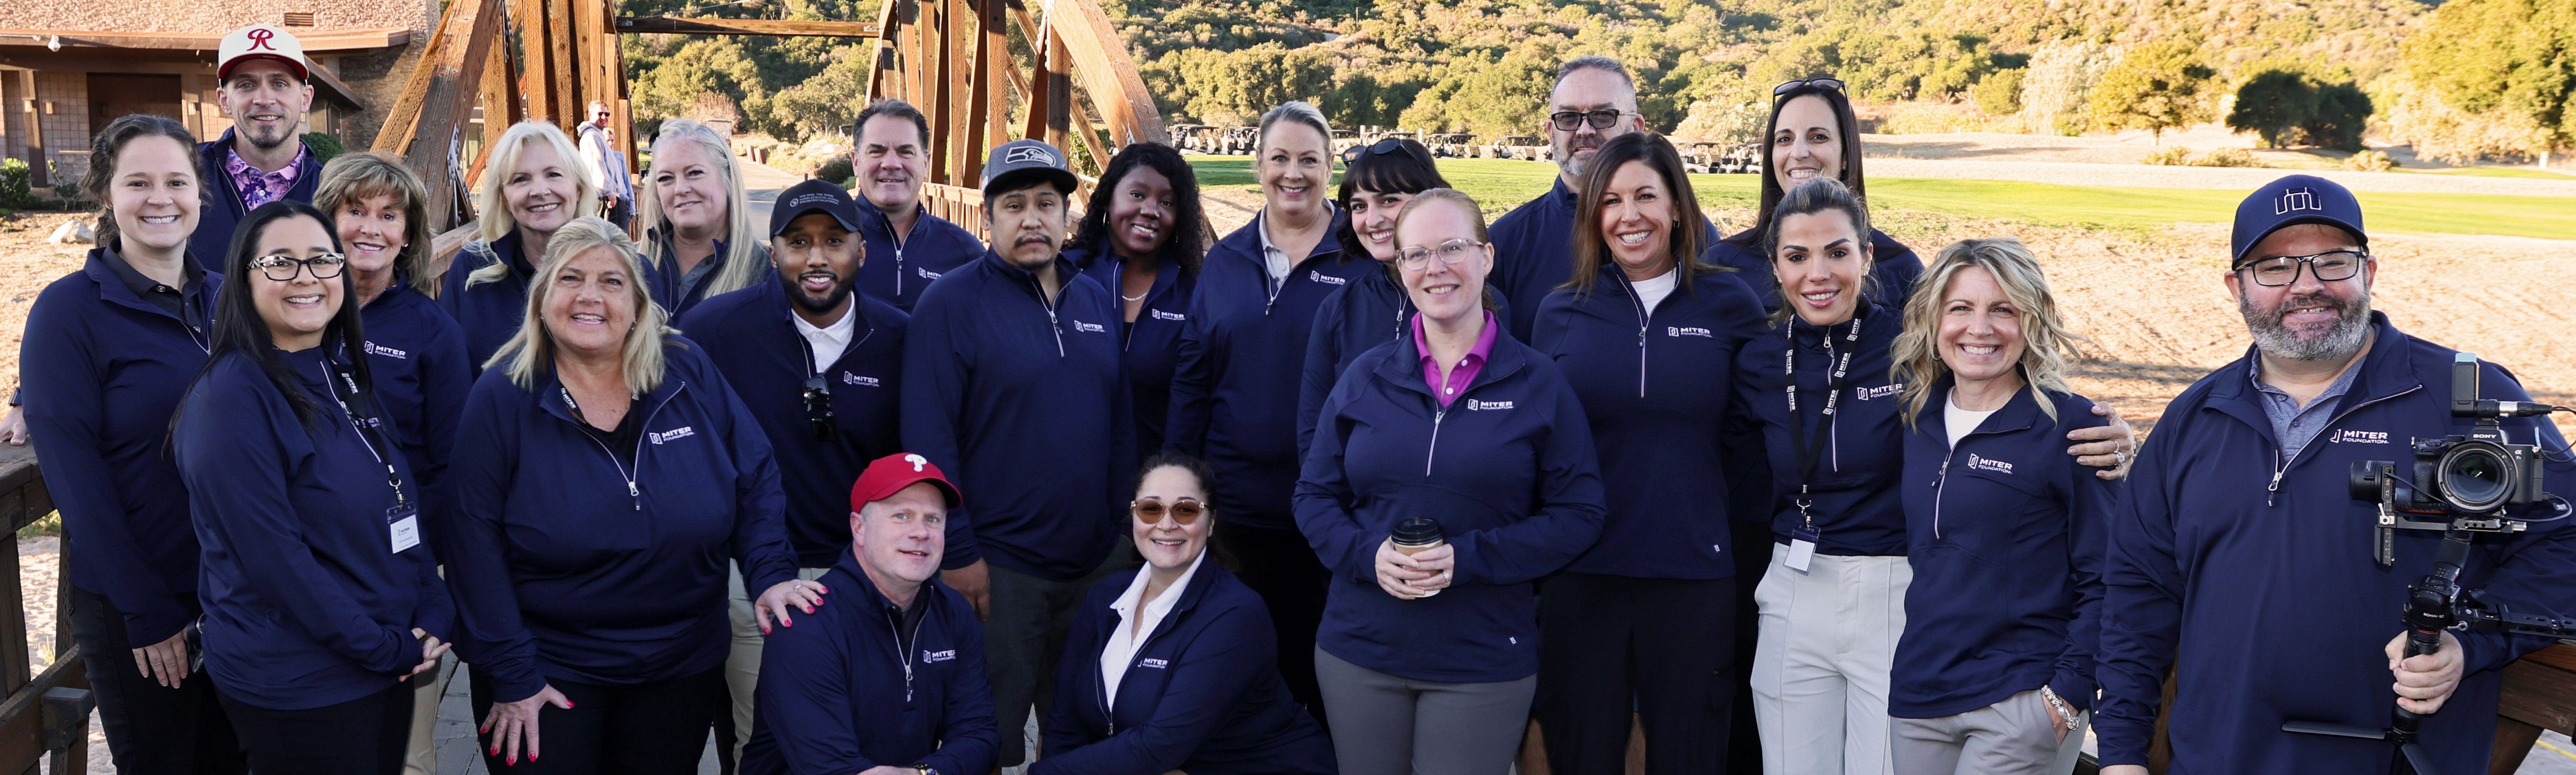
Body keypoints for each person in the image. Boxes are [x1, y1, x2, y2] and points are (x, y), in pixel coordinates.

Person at [2095, 176, 2576, 775]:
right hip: (2215, 757)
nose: (2306, 285)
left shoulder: (2470, 398)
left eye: (2332, 261)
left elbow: (2566, 544)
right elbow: (2138, 591)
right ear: (2236, 287)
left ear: (2368, 272)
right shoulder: (2195, 417)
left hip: (2402, 759)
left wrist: (2470, 643)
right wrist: (2121, 754)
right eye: (2275, 267)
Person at [1740, 180, 2135, 775]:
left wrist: (2119, 438)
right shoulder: (1756, 357)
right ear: (1775, 265)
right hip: (1795, 583)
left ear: (1867, 256)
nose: (1818, 273)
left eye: (1838, 252)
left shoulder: (1908, 351)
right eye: (1797, 256)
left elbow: (2005, 387)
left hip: (1893, 588)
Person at [441, 217, 820, 773]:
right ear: (542, 298)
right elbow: (471, 540)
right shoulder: (502, 393)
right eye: (571, 278)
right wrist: (513, 672)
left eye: (612, 281)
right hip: (550, 671)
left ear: (640, 305)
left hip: (680, 668)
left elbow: (755, 472)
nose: (590, 295)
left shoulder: (685, 368)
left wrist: (769, 571)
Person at [1297, 188, 1608, 775]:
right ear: (1400, 268)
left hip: (1481, 659)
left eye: (1452, 248)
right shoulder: (1366, 377)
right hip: (1361, 650)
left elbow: (1580, 514)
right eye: (1416, 254)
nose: (1435, 268)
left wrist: (1469, 558)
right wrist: (1367, 554)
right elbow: (1314, 496)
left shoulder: (1538, 383)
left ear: (1487, 257)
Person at [172, 200, 454, 774]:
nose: (306, 277)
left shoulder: (338, 370)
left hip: (381, 661)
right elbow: (277, 563)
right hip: (304, 683)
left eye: (323, 260)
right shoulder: (231, 400)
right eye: (281, 262)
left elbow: (396, 494)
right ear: (243, 277)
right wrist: (384, 647)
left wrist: (433, 600)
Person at [1528, 132, 1768, 775]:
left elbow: (1757, 429)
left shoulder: (1730, 303)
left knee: (1690, 752)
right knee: (1582, 751)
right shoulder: (1560, 311)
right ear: (1593, 217)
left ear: (1678, 209)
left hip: (1693, 571)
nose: (1628, 216)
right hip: (1583, 571)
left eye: (1645, 197)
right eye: (1610, 201)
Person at [21, 113, 248, 775]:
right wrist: (146, 609)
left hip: (236, 592)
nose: (160, 198)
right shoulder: (69, 312)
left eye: (176, 182)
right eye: (138, 182)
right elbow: (76, 479)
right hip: (140, 603)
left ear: (199, 194)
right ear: (107, 194)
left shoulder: (227, 300)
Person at [901, 138, 1132, 770]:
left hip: (1094, 568)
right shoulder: (951, 304)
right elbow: (929, 440)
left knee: (1081, 734)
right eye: (1014, 205)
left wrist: (1121, 537)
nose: (1032, 219)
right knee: (985, 740)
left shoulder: (1093, 298)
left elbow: (1120, 427)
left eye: (1046, 203)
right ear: (988, 217)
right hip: (1000, 572)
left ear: (1066, 214)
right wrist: (958, 554)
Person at [677, 178, 911, 767]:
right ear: (773, 250)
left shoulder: (900, 338)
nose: (816, 258)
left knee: (861, 734)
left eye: (834, 240)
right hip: (752, 577)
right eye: (798, 242)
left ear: (862, 251)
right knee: (763, 739)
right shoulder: (713, 330)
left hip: (866, 575)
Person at [1168, 101, 1373, 724]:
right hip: (1239, 514)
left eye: (1309, 160)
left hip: (1336, 514)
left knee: (1328, 684)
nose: (1293, 173)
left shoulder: (1364, 262)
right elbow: (1194, 380)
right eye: (1279, 158)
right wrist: (1179, 484)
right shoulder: (1226, 261)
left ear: (1330, 167)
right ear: (1257, 165)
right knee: (1246, 680)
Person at [1885, 238, 2114, 775]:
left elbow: (2110, 575)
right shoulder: (1916, 417)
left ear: (2031, 321)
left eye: (2004, 310)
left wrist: (2066, 696)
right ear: (1933, 319)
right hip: (1919, 697)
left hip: (2020, 701)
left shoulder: (2072, 428)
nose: (1980, 328)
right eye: (1961, 308)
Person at [311, 152, 477, 775]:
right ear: (325, 219)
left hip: (398, 569)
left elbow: (453, 464)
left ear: (408, 235)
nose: (371, 228)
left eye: (389, 215)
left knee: (407, 752)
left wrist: (429, 574)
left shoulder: (431, 330)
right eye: (355, 210)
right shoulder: (290, 312)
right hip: (304, 565)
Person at [1036, 452, 1337, 775]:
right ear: (1134, 515)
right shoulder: (1106, 597)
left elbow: (1159, 746)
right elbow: (1065, 721)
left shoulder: (1236, 616)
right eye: (1151, 509)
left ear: (1211, 522)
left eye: (1186, 510)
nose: (1167, 524)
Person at [742, 452, 998, 775]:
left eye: (933, 519)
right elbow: (830, 768)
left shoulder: (952, 611)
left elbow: (979, 734)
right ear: (859, 528)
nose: (921, 532)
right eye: (902, 516)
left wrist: (922, 773)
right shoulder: (807, 622)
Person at [1486, 57, 1717, 342]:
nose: (1585, 130)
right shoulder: (1506, 243)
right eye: (1568, 117)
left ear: (1636, 127)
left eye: (1603, 116)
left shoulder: (1693, 234)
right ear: (1550, 131)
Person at [1296, 137, 1468, 452]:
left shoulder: (1475, 303)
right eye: (1359, 206)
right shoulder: (1338, 309)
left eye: (1389, 200)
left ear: (1429, 198)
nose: (1372, 220)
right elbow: (1314, 429)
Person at [1702, 77, 1924, 314]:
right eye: (1785, 139)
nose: (1798, 153)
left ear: (1846, 154)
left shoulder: (1901, 269)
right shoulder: (1723, 265)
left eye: (1819, 137)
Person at [1066, 142, 1203, 459]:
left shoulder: (1192, 294)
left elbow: (1197, 403)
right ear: (1109, 198)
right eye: (1138, 195)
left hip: (1155, 478)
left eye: (1167, 202)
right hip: (1069, 474)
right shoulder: (1065, 276)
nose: (1151, 210)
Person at [440, 120, 597, 369]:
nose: (539, 191)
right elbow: (445, 371)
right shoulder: (471, 269)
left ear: (578, 188)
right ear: (504, 198)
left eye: (554, 175)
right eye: (521, 179)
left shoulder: (621, 270)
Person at [191, 24, 323, 266]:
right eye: (246, 85)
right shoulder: (187, 176)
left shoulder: (333, 189)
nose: (264, 99)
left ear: (306, 99)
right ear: (224, 100)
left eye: (279, 84)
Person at [851, 99, 984, 311]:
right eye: (876, 151)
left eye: (906, 152)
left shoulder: (966, 252)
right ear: (856, 162)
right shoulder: (826, 245)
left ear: (926, 163)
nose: (891, 164)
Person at [637, 118, 772, 316]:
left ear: (727, 177)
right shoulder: (629, 266)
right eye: (666, 178)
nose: (680, 189)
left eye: (694, 173)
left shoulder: (768, 274)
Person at [577, 101, 635, 230]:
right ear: (590, 114)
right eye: (600, 114)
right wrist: (608, 190)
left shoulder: (598, 135)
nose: (604, 117)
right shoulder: (591, 136)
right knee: (607, 238)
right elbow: (597, 165)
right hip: (604, 197)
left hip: (611, 196)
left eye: (607, 114)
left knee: (616, 238)